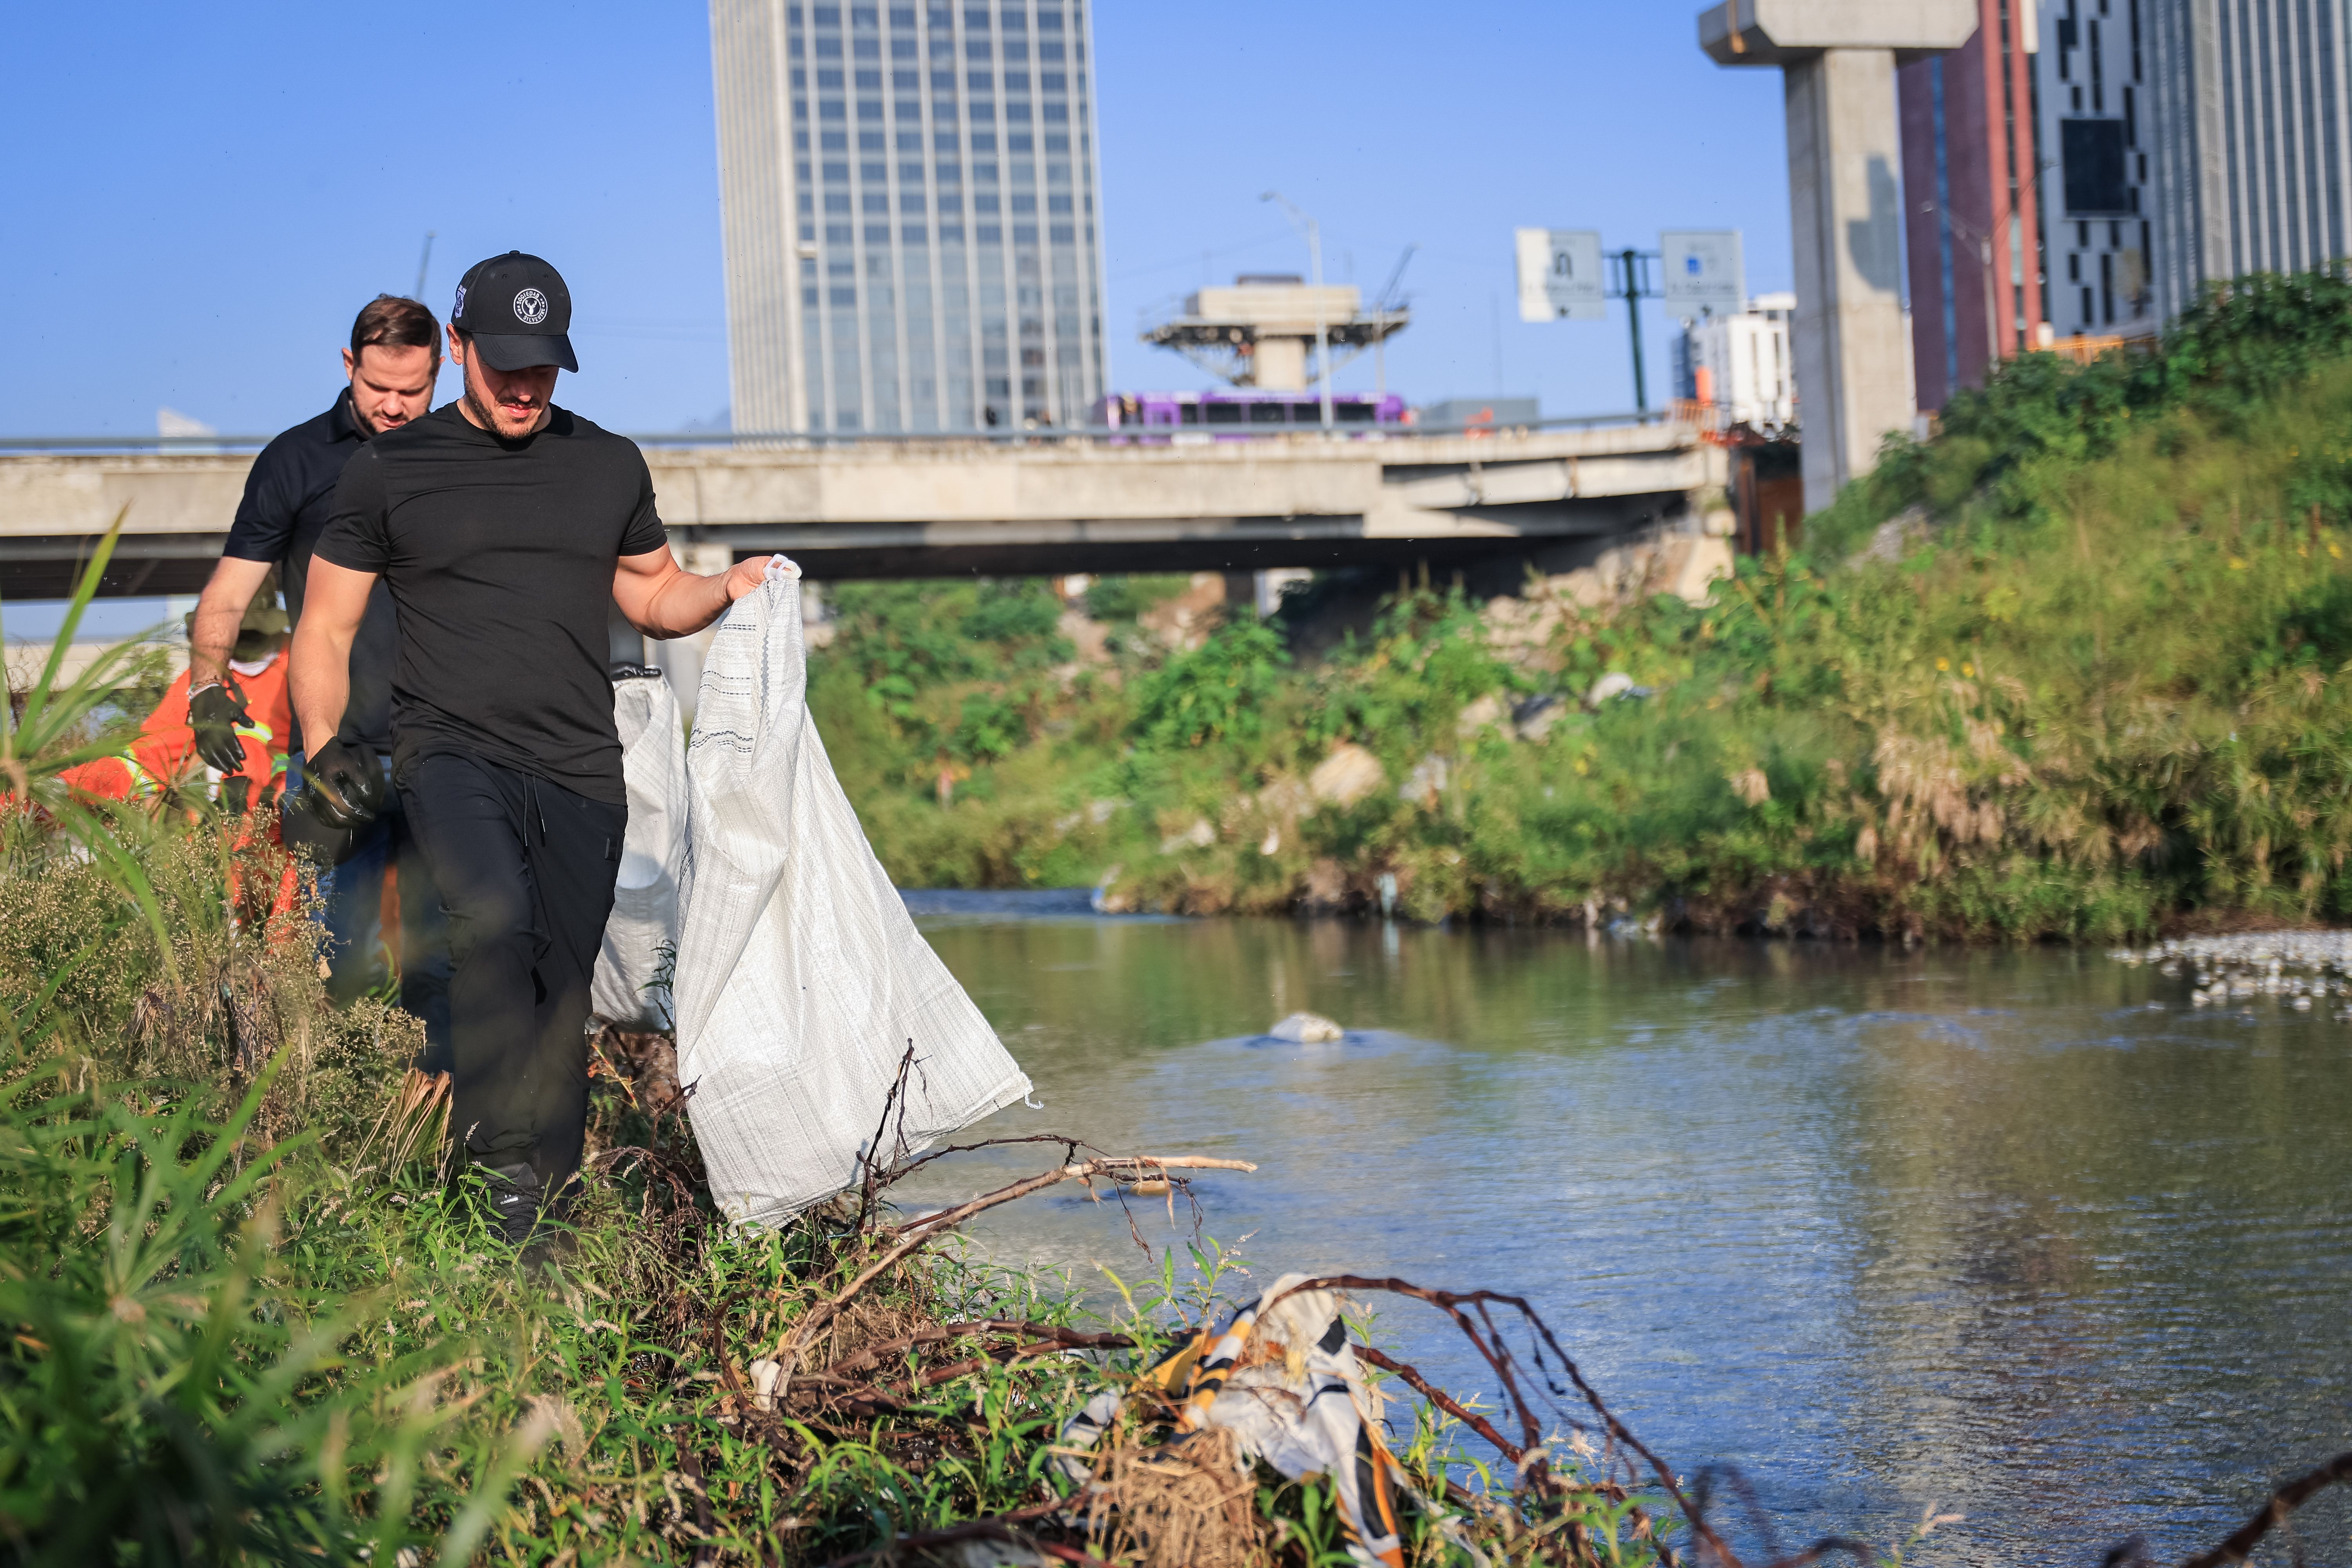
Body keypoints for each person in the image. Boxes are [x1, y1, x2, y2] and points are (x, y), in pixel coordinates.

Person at [291, 251, 770, 1246]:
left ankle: (540, 1218)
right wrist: (324, 744)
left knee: (559, 993)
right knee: (493, 928)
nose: (523, 387)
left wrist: (724, 588)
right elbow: (326, 628)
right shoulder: (392, 470)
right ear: (459, 347)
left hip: (581, 768)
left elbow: (649, 594)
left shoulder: (607, 464)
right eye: (503, 363)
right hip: (449, 754)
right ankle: (499, 1177)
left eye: (543, 367)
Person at [185, 295, 454, 1060]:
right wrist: (207, 685)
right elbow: (228, 594)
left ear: (441, 372)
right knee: (334, 961)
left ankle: (434, 1142)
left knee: (444, 965)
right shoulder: (296, 461)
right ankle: (331, 1133)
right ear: (348, 366)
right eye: (379, 388)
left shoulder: (460, 456)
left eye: (414, 389)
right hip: (336, 756)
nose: (397, 406)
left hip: (450, 749)